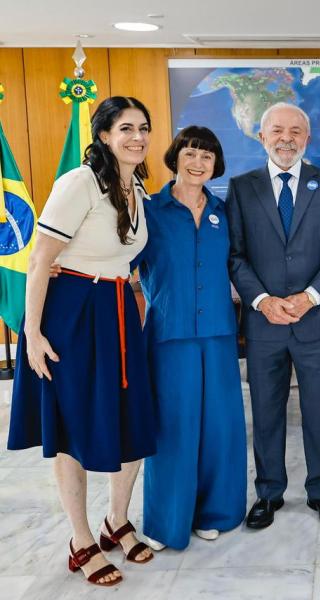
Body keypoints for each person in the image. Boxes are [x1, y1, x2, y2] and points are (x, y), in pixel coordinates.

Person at [7, 96, 157, 586]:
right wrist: (31, 334)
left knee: (131, 420)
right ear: (104, 135)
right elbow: (39, 259)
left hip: (119, 312)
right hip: (73, 313)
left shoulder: (136, 186)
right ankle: (81, 539)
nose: (137, 137)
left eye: (143, 128)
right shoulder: (79, 183)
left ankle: (118, 520)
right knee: (74, 428)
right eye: (126, 128)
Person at [226, 102, 320, 529]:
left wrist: (310, 297)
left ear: (307, 138)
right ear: (262, 137)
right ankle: (268, 492)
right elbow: (236, 255)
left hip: (318, 321)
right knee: (265, 411)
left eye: (296, 131)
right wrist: (262, 300)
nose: (286, 138)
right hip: (265, 323)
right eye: (277, 130)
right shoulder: (242, 188)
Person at [137, 126, 247, 550]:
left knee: (220, 428)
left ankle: (215, 512)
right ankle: (167, 522)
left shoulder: (222, 212)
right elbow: (119, 256)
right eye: (191, 153)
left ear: (215, 164)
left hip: (219, 333)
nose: (198, 162)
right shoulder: (152, 211)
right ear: (176, 156)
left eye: (207, 156)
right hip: (170, 333)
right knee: (173, 429)